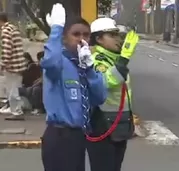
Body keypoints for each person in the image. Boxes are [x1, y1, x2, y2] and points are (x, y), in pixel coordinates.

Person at [40, 3, 107, 171]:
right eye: (75, 34)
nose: (81, 39)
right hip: (60, 135)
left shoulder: (84, 64)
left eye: (86, 34)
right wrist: (56, 29)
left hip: (79, 135)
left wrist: (90, 69)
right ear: (65, 38)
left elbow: (99, 97)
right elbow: (49, 61)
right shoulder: (59, 63)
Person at [86, 17, 139, 171]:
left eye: (118, 35)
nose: (118, 39)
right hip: (102, 124)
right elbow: (106, 82)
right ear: (99, 39)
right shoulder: (96, 60)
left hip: (119, 124)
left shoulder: (113, 59)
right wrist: (124, 59)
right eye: (112, 35)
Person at [0, 12, 27, 120]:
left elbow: (6, 50)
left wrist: (2, 64)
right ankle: (16, 110)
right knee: (14, 89)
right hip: (18, 65)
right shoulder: (12, 28)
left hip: (12, 66)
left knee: (12, 91)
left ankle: (17, 112)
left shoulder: (5, 31)